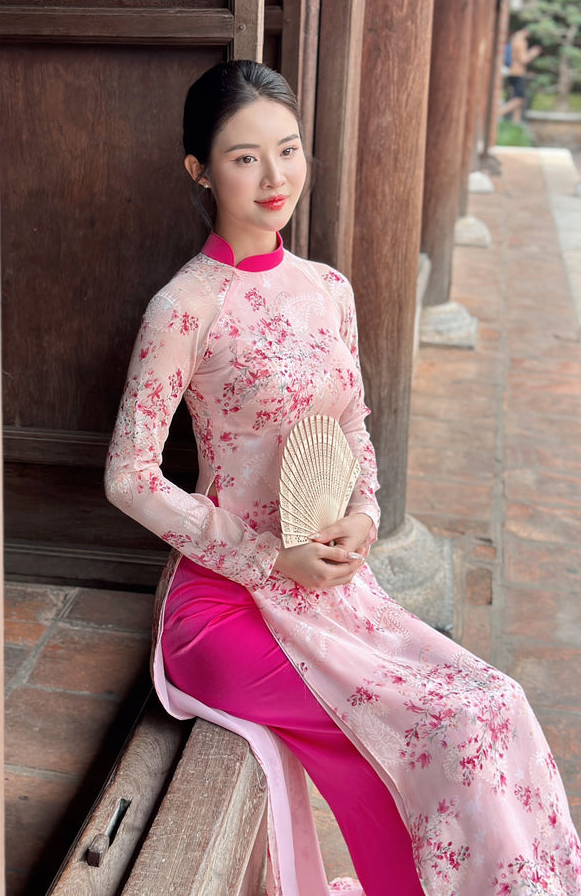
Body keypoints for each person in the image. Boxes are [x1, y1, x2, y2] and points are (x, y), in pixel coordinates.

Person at [105, 60, 581, 895]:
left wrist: (364, 514)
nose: (274, 176)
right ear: (200, 170)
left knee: (493, 699)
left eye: (287, 151)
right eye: (245, 157)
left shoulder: (328, 290)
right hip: (223, 605)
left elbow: (351, 427)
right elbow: (129, 476)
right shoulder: (185, 306)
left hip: (330, 588)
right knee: (419, 731)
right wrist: (262, 559)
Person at [500, 23, 541, 123]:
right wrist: (533, 53)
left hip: (512, 71)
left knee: (517, 98)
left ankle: (515, 124)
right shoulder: (521, 41)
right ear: (525, 30)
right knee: (519, 99)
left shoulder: (514, 38)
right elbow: (523, 59)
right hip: (517, 72)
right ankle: (497, 114)